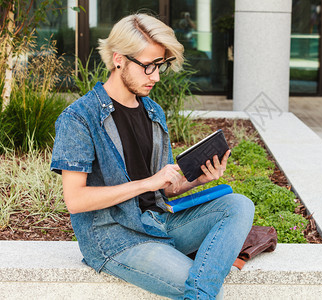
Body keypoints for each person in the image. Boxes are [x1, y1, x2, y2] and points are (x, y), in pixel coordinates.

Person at [50, 13, 254, 299]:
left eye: (160, 66)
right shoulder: (79, 118)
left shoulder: (152, 111)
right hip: (117, 239)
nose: (156, 77)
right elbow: (76, 200)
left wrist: (196, 180)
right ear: (119, 59)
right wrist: (147, 182)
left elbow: (164, 188)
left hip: (161, 223)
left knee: (238, 205)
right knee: (201, 288)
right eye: (147, 66)